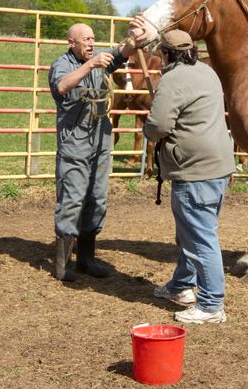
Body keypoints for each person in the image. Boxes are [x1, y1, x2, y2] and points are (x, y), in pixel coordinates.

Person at [143, 30, 235, 325]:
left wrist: (149, 125)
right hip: (218, 166)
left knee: (199, 236)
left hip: (195, 170)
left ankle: (210, 304)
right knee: (191, 231)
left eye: (160, 55)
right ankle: (182, 285)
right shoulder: (207, 72)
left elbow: (157, 126)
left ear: (167, 54)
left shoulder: (172, 79)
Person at [48, 20, 144, 281]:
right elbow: (62, 87)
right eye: (86, 40)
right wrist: (90, 64)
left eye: (92, 39)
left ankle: (86, 258)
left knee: (97, 199)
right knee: (72, 199)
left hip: (100, 141)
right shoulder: (63, 64)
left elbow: (123, 51)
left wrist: (134, 38)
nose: (91, 44)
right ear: (72, 43)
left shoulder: (101, 59)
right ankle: (62, 264)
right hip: (75, 143)